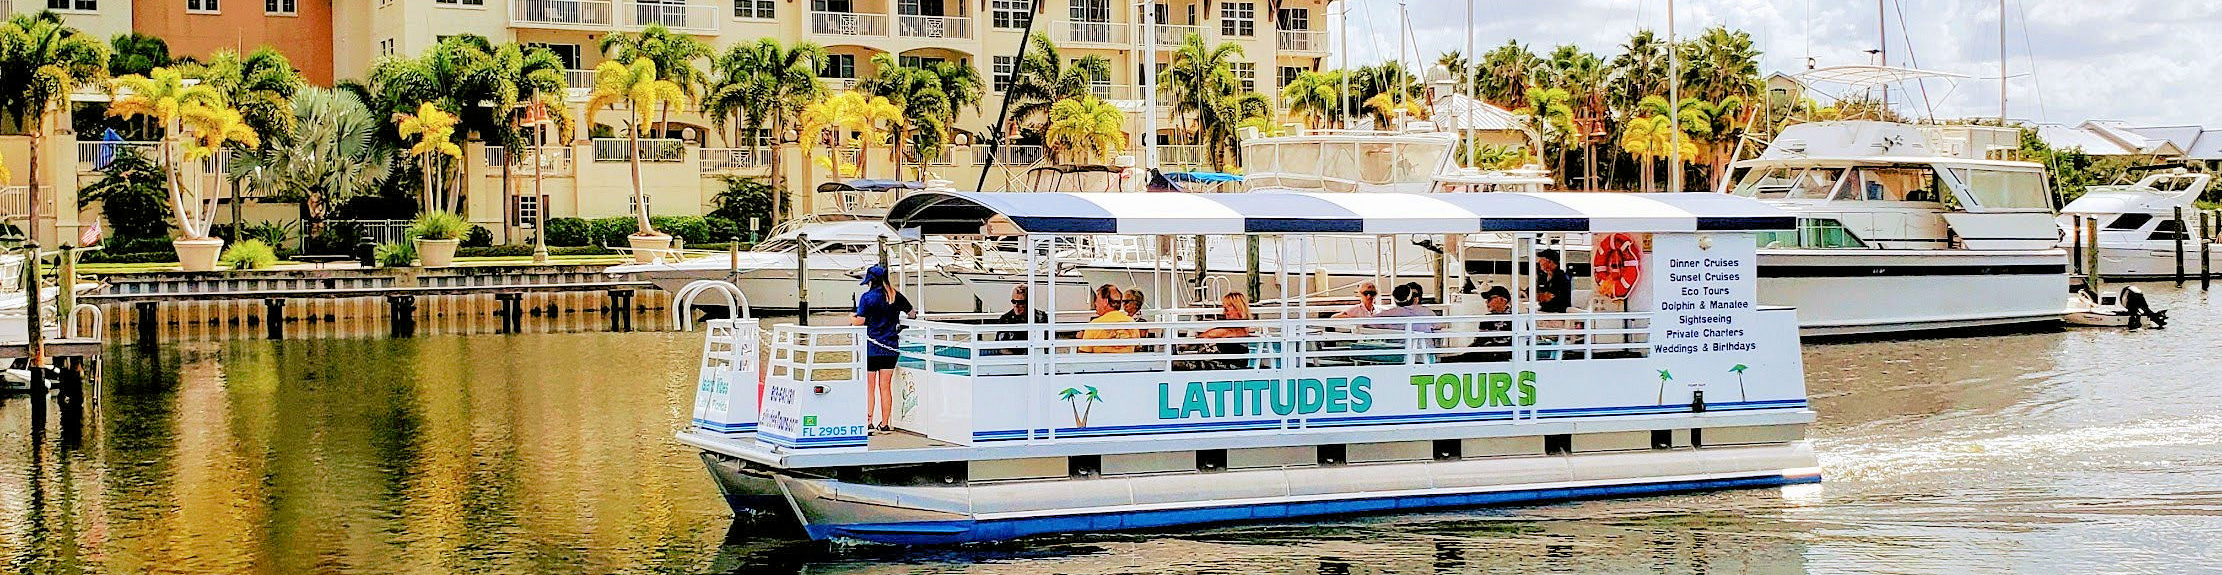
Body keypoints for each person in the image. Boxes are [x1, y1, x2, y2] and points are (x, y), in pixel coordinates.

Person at [850, 264, 915, 433]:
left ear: (871, 281)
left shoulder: (867, 298)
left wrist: (851, 316)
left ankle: (868, 422)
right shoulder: (895, 295)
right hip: (890, 347)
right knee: (885, 387)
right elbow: (912, 313)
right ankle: (885, 424)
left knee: (870, 387)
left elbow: (859, 321)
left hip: (872, 347)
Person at [1183, 292, 1254, 370]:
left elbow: (1215, 334)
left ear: (1237, 309)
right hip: (1226, 363)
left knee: (1179, 365)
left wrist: (1190, 343)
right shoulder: (1238, 326)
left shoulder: (1239, 329)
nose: (1224, 312)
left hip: (1230, 366)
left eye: (1226, 309)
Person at [989, 285, 1048, 355]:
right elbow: (1000, 346)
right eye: (1014, 301)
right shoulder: (1005, 319)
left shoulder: (1041, 317)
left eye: (1020, 302)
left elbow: (1046, 343)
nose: (1016, 305)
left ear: (1029, 302)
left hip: (1035, 357)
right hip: (1012, 359)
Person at [1080, 284, 1138, 353]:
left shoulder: (1095, 325)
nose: (1095, 303)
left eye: (1097, 299)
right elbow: (1137, 347)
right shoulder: (1131, 322)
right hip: (1127, 362)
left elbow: (1083, 353)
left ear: (1105, 302)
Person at [1372, 282, 1440, 332]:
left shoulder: (1388, 314)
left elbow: (1368, 323)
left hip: (1397, 349)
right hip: (1423, 349)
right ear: (1412, 298)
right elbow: (1439, 325)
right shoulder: (1426, 312)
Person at [1536, 249, 1573, 313]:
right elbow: (1539, 296)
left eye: (1542, 259)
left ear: (1549, 261)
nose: (1539, 262)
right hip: (1546, 311)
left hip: (1557, 313)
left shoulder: (1560, 276)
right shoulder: (1545, 277)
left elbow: (1549, 298)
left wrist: (1543, 296)